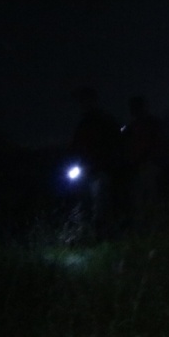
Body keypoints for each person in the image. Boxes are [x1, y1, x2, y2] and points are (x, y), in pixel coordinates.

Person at [70, 86, 124, 238]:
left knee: (100, 204)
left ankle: (102, 235)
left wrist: (110, 162)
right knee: (87, 203)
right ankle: (89, 234)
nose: (83, 104)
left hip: (101, 168)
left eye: (85, 100)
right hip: (87, 169)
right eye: (81, 101)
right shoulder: (84, 123)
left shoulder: (103, 120)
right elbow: (76, 146)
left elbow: (115, 142)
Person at [122, 95, 169, 228]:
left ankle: (151, 226)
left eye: (135, 107)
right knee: (141, 197)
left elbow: (166, 142)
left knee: (148, 197)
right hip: (140, 166)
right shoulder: (133, 127)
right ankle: (147, 226)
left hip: (150, 165)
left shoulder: (152, 124)